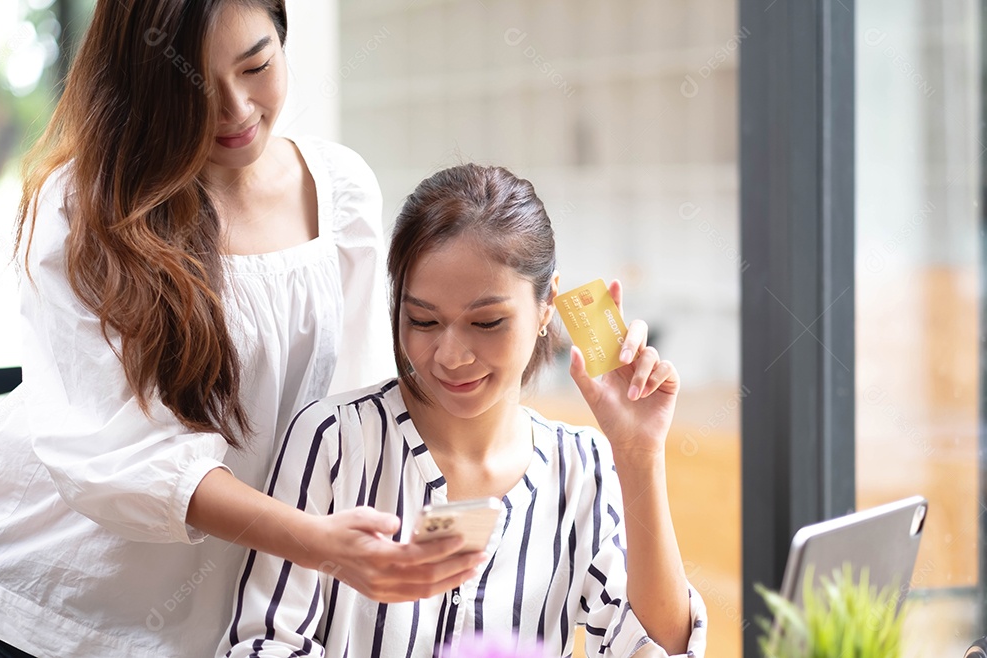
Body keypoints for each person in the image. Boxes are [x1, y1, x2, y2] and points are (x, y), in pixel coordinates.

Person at [0, 2, 482, 656]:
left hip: (168, 636)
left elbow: (358, 406)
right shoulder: (84, 205)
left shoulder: (342, 194)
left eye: (256, 66)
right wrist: (313, 542)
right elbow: (114, 456)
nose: (236, 109)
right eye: (196, 85)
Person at [218, 164, 708, 657]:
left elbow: (658, 648)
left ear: (547, 306)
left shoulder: (583, 468)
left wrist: (639, 454)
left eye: (487, 322)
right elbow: (264, 643)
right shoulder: (334, 441)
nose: (451, 357)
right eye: (423, 320)